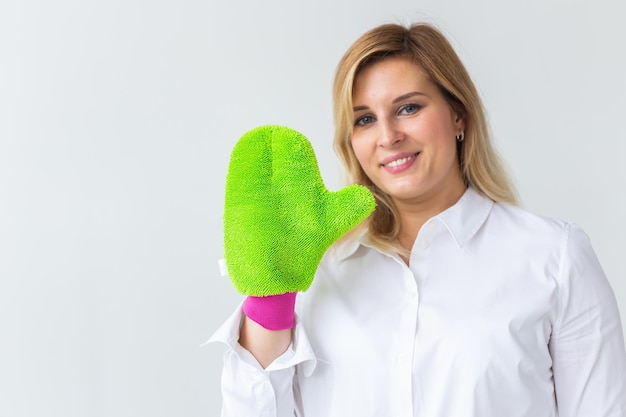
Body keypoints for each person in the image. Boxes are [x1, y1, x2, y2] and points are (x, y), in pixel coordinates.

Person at [208, 22, 626, 417]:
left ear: (458, 114)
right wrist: (270, 298)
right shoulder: (316, 270)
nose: (388, 136)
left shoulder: (554, 256)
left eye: (408, 108)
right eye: (365, 119)